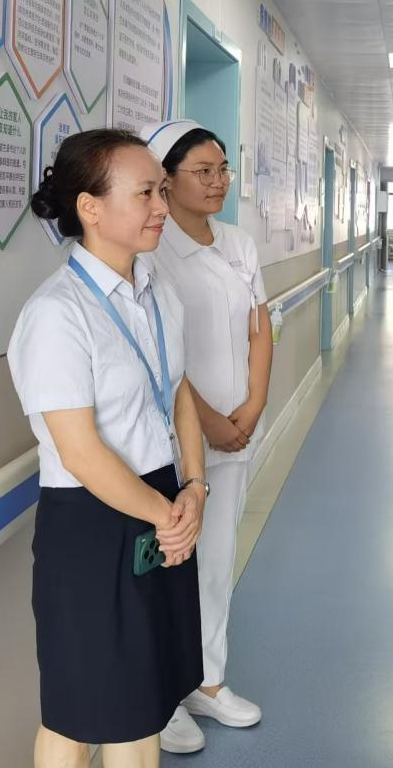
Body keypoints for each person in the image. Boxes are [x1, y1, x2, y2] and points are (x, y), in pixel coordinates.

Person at [8, 128, 206, 767]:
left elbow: (178, 392)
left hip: (163, 501)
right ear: (90, 207)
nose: (162, 206)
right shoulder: (57, 313)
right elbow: (81, 452)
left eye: (162, 190)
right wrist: (167, 516)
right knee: (77, 712)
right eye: (146, 192)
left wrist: (194, 488)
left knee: (140, 703)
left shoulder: (158, 291)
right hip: (92, 522)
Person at [141, 120, 271, 753]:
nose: (218, 181)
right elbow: (159, 354)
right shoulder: (150, 249)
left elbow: (259, 328)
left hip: (237, 431)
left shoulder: (238, 242)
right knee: (170, 567)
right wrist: (212, 422)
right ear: (164, 180)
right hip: (175, 440)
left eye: (223, 169)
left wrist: (253, 405)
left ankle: (207, 682)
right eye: (203, 171)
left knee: (217, 563)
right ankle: (162, 697)